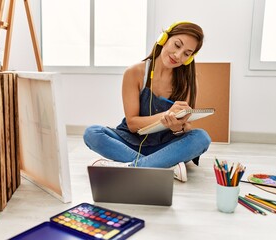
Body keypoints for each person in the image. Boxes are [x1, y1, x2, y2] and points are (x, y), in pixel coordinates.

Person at [83, 22, 211, 182]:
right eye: (177, 45)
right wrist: (166, 115)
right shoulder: (134, 73)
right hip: (131, 142)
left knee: (202, 138)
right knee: (92, 133)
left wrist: (179, 128)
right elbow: (132, 123)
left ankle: (131, 167)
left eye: (186, 53)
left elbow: (185, 126)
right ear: (164, 38)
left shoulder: (188, 81)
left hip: (166, 146)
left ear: (189, 58)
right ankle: (166, 166)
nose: (178, 55)